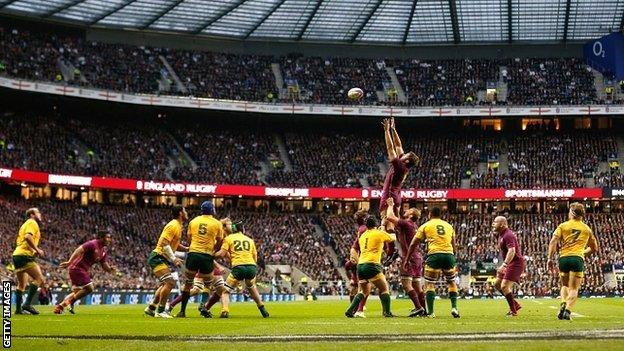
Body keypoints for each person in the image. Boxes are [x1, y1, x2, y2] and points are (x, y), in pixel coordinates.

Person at [405, 207, 459, 318]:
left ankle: (431, 312)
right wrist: (453, 257)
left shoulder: (425, 225)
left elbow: (413, 244)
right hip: (449, 255)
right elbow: (454, 246)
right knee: (451, 282)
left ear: (430, 214)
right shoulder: (449, 226)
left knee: (430, 284)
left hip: (434, 255)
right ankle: (454, 308)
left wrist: (407, 259)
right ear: (440, 215)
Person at [547, 203, 599, 320]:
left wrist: (549, 258)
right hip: (577, 259)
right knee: (574, 288)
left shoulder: (563, 226)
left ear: (571, 212)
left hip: (564, 258)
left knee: (565, 285)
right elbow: (594, 248)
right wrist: (582, 253)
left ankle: (563, 303)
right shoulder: (587, 229)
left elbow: (553, 241)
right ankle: (568, 311)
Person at [214, 220, 269, 318]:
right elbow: (255, 258)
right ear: (242, 229)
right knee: (251, 287)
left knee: (225, 291)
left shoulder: (229, 238)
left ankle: (225, 311)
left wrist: (211, 256)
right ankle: (262, 309)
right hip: (252, 267)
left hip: (238, 267)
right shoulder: (250, 240)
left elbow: (221, 254)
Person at [177, 201, 224, 317]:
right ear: (212, 210)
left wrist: (193, 247)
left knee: (188, 284)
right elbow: (220, 241)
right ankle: (203, 305)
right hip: (206, 255)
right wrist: (214, 250)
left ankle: (182, 311)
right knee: (208, 283)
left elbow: (189, 238)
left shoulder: (193, 221)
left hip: (193, 254)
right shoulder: (217, 223)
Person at [54, 231, 116, 314]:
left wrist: (110, 269)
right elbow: (78, 250)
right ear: (101, 237)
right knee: (90, 288)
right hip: (76, 268)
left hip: (82, 270)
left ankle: (59, 307)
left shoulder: (103, 251)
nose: (109, 240)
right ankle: (71, 302)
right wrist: (69, 262)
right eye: (107, 237)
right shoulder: (92, 244)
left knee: (77, 292)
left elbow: (104, 265)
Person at [345, 217, 396, 318]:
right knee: (384, 289)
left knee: (363, 291)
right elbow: (393, 238)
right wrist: (387, 229)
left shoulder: (363, 235)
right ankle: (387, 312)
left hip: (360, 266)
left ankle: (350, 310)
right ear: (375, 225)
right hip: (372, 264)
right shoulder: (378, 233)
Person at [144, 206, 188, 318]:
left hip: (161, 258)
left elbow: (175, 245)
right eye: (184, 211)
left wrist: (187, 249)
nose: (186, 213)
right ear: (180, 213)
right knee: (170, 283)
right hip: (157, 257)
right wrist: (174, 259)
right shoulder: (173, 225)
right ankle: (161, 310)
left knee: (165, 283)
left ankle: (151, 308)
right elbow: (164, 243)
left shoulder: (178, 226)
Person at [384, 198, 425, 317]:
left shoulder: (406, 223)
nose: (405, 211)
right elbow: (397, 224)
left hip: (409, 257)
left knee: (406, 283)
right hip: (417, 257)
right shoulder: (413, 225)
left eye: (408, 210)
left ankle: (418, 307)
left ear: (411, 215)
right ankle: (424, 309)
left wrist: (391, 205)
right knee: (417, 285)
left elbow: (390, 216)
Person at [379, 117, 418, 233]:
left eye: (405, 155)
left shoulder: (400, 166)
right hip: (395, 197)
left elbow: (390, 148)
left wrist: (386, 131)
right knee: (388, 226)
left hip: (389, 197)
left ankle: (391, 249)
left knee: (388, 227)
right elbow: (398, 146)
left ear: (406, 161)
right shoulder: (403, 162)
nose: (403, 153)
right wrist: (393, 129)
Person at [13, 208, 45, 315]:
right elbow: (27, 237)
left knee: (21, 284)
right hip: (24, 255)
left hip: (17, 255)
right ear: (32, 214)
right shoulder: (32, 222)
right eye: (38, 212)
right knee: (39, 279)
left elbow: (24, 241)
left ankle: (18, 310)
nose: (40, 214)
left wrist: (32, 250)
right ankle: (27, 304)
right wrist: (37, 250)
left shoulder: (25, 224)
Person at [491, 216, 525, 316]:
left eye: (495, 222)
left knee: (504, 286)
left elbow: (512, 250)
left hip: (516, 263)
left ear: (502, 224)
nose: (493, 224)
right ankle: (515, 304)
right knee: (497, 284)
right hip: (509, 263)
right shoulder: (501, 235)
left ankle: (513, 311)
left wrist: (504, 265)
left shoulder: (508, 235)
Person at [345, 209, 369, 317]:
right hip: (361, 256)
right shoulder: (364, 229)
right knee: (364, 286)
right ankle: (357, 308)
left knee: (362, 286)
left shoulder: (361, 228)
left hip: (357, 255)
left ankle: (356, 307)